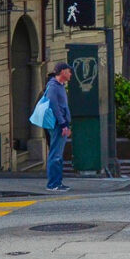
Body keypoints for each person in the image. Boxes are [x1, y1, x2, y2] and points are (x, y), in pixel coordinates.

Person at [46, 63, 73, 192]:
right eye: (68, 72)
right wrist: (63, 124)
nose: (70, 74)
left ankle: (58, 181)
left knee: (58, 154)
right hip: (58, 124)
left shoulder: (60, 86)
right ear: (62, 72)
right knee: (55, 154)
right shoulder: (53, 87)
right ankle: (53, 183)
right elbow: (54, 106)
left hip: (62, 123)